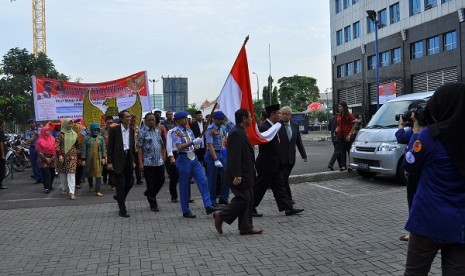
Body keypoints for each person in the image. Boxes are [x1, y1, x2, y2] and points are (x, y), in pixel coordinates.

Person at [402, 82, 465, 275]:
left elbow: (409, 164)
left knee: (415, 273)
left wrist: (416, 133)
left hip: (427, 221)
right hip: (460, 224)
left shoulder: (431, 135)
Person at [212, 109, 262, 235]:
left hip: (247, 172)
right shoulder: (235, 133)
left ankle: (245, 226)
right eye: (250, 117)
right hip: (240, 174)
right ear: (244, 118)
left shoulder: (241, 131)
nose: (252, 119)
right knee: (244, 198)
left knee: (249, 199)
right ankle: (221, 215)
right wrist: (237, 175)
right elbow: (234, 156)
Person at [253, 104, 303, 217]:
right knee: (259, 188)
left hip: (275, 163)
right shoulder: (264, 127)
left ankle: (288, 208)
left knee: (280, 187)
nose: (280, 115)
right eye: (278, 113)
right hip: (266, 164)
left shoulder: (275, 126)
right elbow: (269, 146)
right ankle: (250, 208)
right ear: (272, 114)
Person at [170, 111, 218, 218]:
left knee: (203, 180)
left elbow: (193, 146)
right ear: (177, 120)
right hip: (183, 158)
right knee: (185, 185)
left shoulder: (189, 130)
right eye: (183, 118)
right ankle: (186, 211)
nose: (185, 120)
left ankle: (208, 205)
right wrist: (193, 142)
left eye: (186, 118)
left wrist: (197, 144)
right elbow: (179, 147)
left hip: (193, 158)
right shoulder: (175, 132)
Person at [395, 100, 426, 242]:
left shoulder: (422, 133)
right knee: (414, 201)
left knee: (416, 201)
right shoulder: (421, 131)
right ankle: (415, 231)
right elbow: (401, 137)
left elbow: (409, 160)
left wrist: (404, 125)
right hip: (417, 176)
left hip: (419, 175)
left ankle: (417, 233)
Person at [107, 110, 136, 218]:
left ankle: (119, 197)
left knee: (130, 182)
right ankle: (122, 210)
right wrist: (109, 162)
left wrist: (133, 160)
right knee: (120, 185)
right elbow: (110, 147)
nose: (129, 118)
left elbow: (132, 147)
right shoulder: (114, 130)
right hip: (117, 159)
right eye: (127, 117)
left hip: (128, 157)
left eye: (130, 116)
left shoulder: (132, 130)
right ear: (122, 119)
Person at [278, 106, 307, 204]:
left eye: (286, 114)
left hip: (291, 158)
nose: (284, 116)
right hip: (281, 158)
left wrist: (304, 155)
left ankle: (284, 197)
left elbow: (298, 141)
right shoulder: (277, 126)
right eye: (282, 114)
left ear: (290, 115)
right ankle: (288, 199)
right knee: (284, 178)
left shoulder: (295, 125)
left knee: (284, 178)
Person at [138, 113, 166, 212]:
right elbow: (140, 148)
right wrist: (140, 162)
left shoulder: (157, 131)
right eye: (149, 120)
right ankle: (153, 204)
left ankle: (149, 193)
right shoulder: (142, 132)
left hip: (159, 161)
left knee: (161, 180)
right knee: (150, 183)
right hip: (148, 162)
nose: (151, 121)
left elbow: (162, 145)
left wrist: (163, 155)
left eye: (153, 120)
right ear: (145, 121)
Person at [204, 111, 229, 205]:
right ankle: (212, 202)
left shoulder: (219, 128)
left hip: (221, 153)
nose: (222, 121)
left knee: (227, 175)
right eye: (220, 119)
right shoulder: (210, 129)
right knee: (212, 179)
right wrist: (215, 159)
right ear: (214, 119)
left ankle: (223, 198)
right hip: (212, 155)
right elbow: (210, 145)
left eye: (223, 119)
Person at [55, 119, 79, 200]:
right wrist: (60, 155)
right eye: (69, 124)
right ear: (65, 124)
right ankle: (64, 189)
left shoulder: (75, 134)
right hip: (62, 156)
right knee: (63, 174)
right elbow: (57, 145)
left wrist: (78, 155)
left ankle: (72, 192)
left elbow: (77, 145)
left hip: (72, 157)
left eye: (71, 124)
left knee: (71, 173)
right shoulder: (60, 134)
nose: (70, 125)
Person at [81, 123, 106, 197]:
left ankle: (97, 190)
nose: (96, 131)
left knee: (98, 175)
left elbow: (103, 148)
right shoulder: (86, 138)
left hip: (98, 159)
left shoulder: (101, 138)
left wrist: (104, 158)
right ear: (91, 130)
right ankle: (91, 186)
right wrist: (83, 159)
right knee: (89, 173)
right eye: (94, 130)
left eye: (97, 130)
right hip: (89, 159)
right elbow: (84, 149)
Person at [36, 125, 56, 194]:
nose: (48, 132)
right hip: (43, 159)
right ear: (43, 132)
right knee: (46, 173)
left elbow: (55, 149)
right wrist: (45, 158)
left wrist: (52, 158)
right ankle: (46, 187)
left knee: (52, 173)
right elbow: (39, 151)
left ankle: (50, 185)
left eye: (49, 130)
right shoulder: (39, 140)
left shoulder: (53, 139)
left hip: (52, 158)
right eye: (46, 130)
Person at [335, 101, 355, 171]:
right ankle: (343, 165)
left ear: (344, 107)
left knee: (349, 150)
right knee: (342, 151)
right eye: (339, 106)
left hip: (347, 135)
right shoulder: (339, 115)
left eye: (340, 106)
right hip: (340, 135)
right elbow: (338, 124)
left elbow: (354, 125)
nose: (339, 108)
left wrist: (350, 134)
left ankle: (351, 165)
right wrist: (336, 130)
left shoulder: (349, 115)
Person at [166, 120, 180, 203]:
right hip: (175, 153)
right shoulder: (171, 132)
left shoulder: (187, 131)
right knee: (174, 177)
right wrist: (171, 156)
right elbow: (169, 145)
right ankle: (173, 196)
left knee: (186, 176)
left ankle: (187, 196)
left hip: (185, 153)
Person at [25, 118, 42, 184]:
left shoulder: (40, 130)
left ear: (35, 123)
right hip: (32, 147)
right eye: (30, 123)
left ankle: (42, 177)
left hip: (40, 148)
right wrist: (34, 135)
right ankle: (37, 178)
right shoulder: (28, 132)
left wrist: (39, 134)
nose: (32, 124)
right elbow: (28, 141)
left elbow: (44, 138)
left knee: (40, 163)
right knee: (34, 163)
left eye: (33, 123)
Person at [101, 116, 116, 191]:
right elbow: (100, 141)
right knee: (105, 167)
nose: (110, 124)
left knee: (112, 168)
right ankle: (104, 177)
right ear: (105, 123)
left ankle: (112, 184)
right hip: (105, 150)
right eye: (108, 123)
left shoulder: (116, 129)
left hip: (114, 151)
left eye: (111, 123)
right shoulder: (102, 131)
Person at [130, 115, 143, 185]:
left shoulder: (137, 128)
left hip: (137, 149)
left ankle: (139, 179)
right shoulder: (127, 129)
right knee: (130, 164)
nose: (133, 122)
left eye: (134, 121)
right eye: (132, 121)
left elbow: (140, 138)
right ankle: (130, 179)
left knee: (138, 164)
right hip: (129, 149)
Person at [72, 122, 85, 189]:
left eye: (76, 128)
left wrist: (81, 158)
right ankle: (72, 183)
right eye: (74, 128)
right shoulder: (70, 136)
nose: (75, 129)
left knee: (79, 170)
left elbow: (83, 148)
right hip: (72, 156)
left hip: (80, 156)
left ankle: (78, 183)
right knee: (72, 170)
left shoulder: (82, 137)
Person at [0, 119, 8, 189]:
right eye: (4, 123)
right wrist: (3, 154)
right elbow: (1, 143)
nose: (4, 124)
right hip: (1, 155)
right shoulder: (1, 131)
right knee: (2, 170)